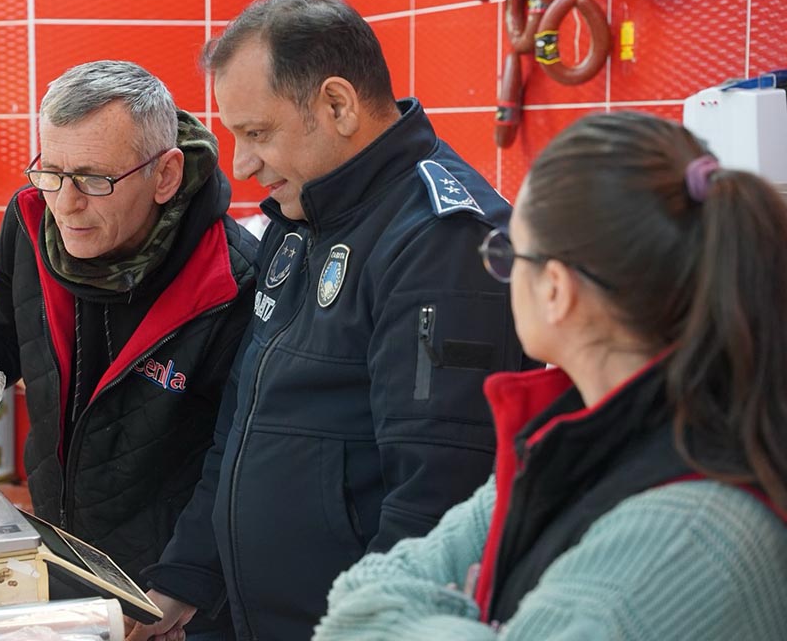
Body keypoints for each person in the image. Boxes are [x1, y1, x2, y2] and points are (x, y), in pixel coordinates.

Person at [131, 0, 532, 641]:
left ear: (338, 105)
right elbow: (243, 421)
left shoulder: (443, 239)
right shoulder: (302, 216)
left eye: (258, 134)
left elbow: (438, 500)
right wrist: (184, 581)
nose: (243, 164)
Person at [313, 111, 787, 640]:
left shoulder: (684, 536)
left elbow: (362, 620)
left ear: (556, 289)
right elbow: (358, 598)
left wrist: (456, 611)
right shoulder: (572, 437)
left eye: (511, 253)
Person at [0, 60, 257, 639]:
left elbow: (239, 458)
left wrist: (178, 589)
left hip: (176, 590)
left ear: (166, 174)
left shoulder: (231, 280)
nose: (66, 204)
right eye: (51, 172)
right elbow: (7, 331)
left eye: (95, 179)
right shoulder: (30, 221)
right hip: (58, 550)